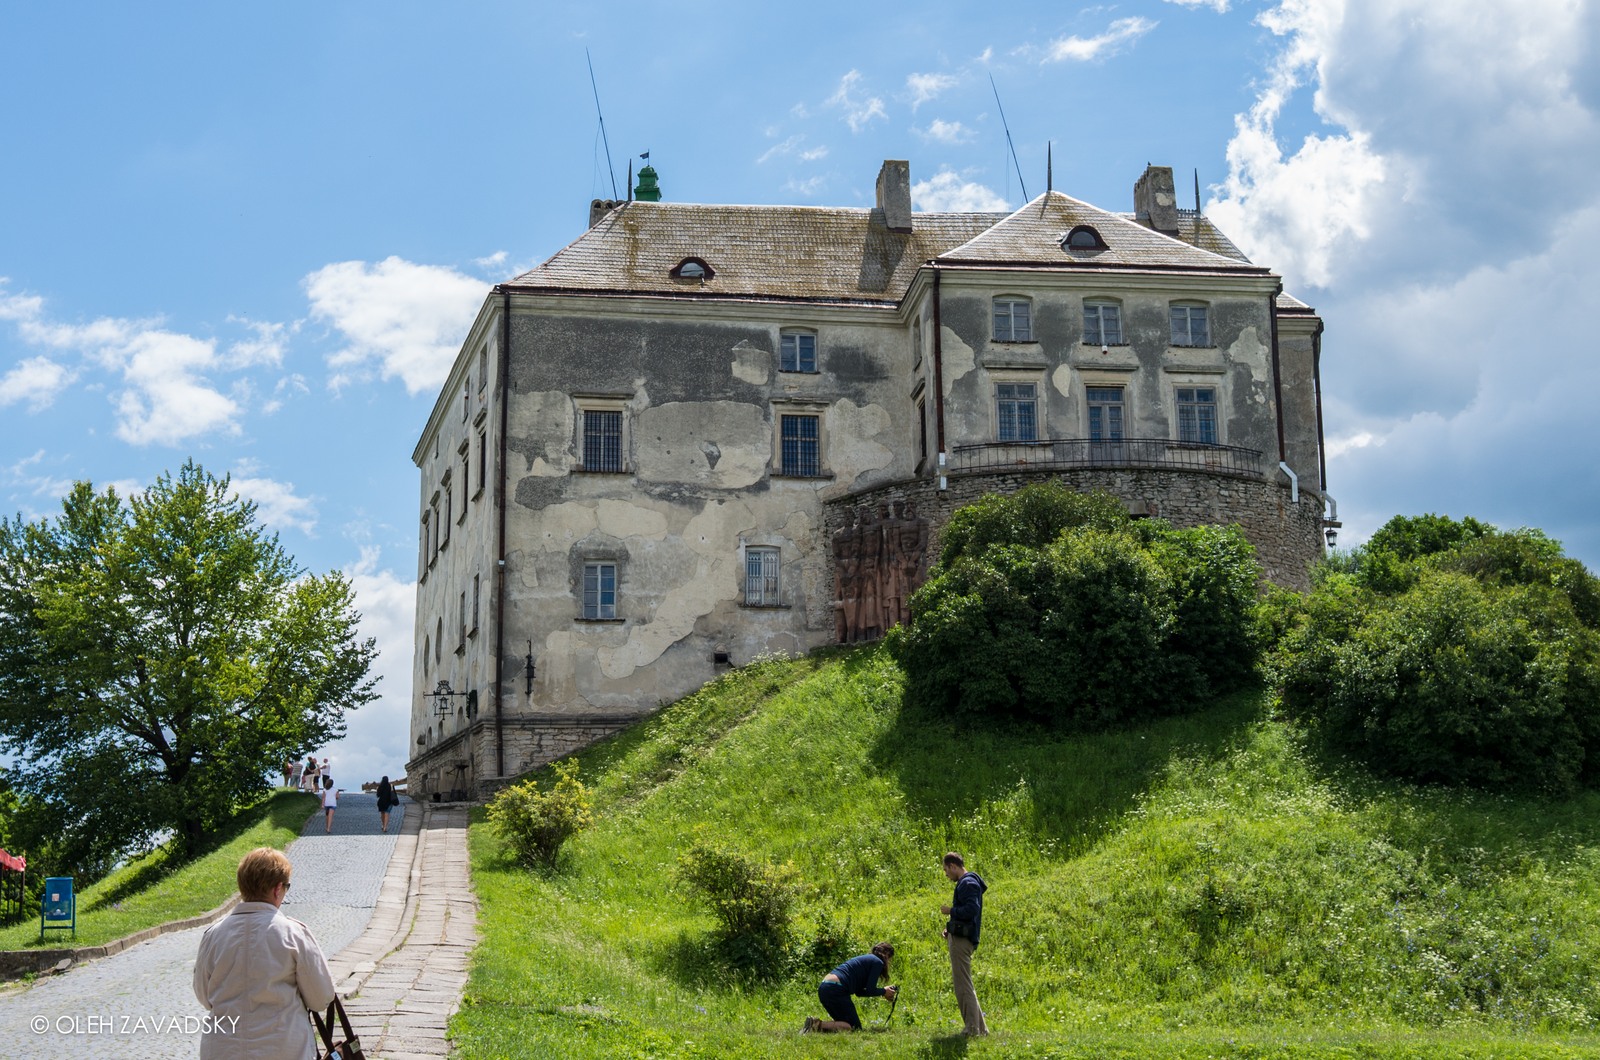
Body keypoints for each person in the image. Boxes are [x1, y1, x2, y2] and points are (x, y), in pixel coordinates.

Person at [193, 847, 337, 1060]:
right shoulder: (293, 933)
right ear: (278, 888)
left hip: (223, 1049)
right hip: (284, 1048)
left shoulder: (213, 935)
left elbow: (205, 997)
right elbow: (321, 998)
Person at [940, 851, 989, 1037]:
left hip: (962, 942)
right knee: (965, 984)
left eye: (946, 870)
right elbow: (967, 915)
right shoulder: (969, 882)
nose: (946, 874)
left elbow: (971, 909)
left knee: (963, 986)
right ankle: (981, 1030)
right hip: (961, 936)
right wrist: (951, 928)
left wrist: (950, 910)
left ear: (953, 866)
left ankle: (971, 1029)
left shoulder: (967, 883)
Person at [803, 942, 897, 1033]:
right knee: (853, 1027)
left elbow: (859, 992)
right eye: (890, 959)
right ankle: (815, 1024)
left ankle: (816, 1027)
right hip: (836, 989)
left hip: (825, 987)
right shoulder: (878, 962)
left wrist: (883, 992)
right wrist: (884, 991)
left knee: (846, 1024)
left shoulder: (867, 960)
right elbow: (870, 990)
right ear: (887, 955)